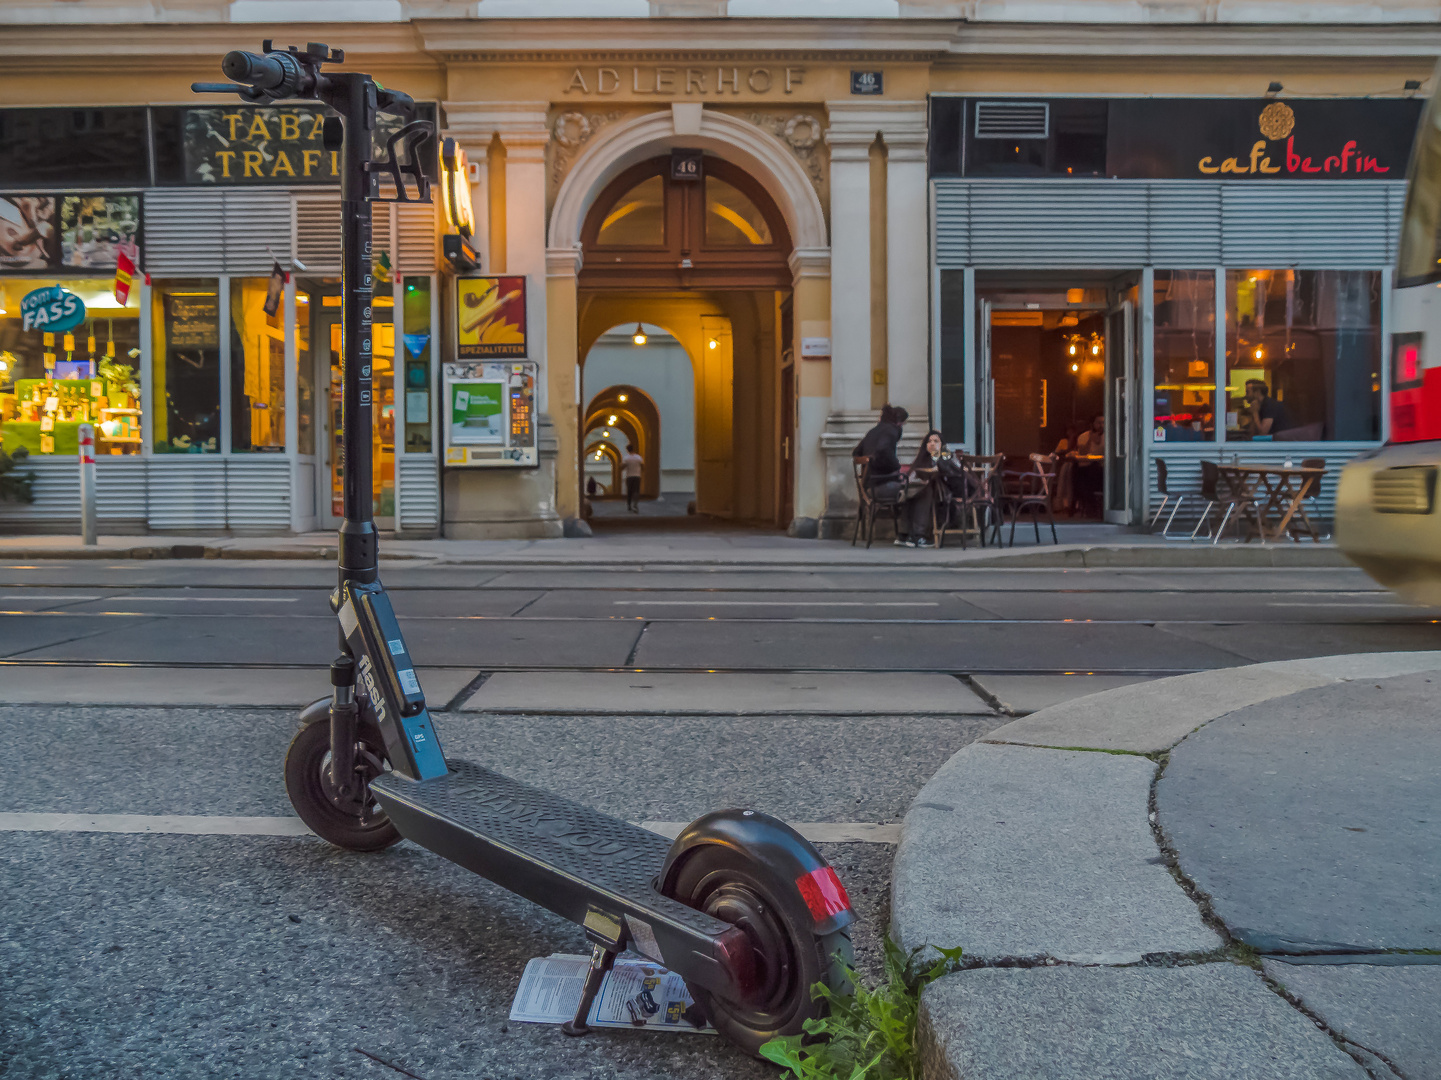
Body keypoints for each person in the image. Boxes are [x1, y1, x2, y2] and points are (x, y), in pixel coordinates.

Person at [852, 404, 911, 543]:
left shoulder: (872, 431)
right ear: (899, 422)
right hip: (882, 486)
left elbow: (856, 453)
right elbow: (883, 450)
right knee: (914, 491)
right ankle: (909, 534)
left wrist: (868, 461)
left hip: (867, 486)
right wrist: (897, 467)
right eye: (903, 423)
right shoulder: (892, 431)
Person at [621, 444, 644, 512]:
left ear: (627, 450)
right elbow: (643, 466)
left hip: (629, 476)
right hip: (637, 476)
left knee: (629, 491)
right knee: (636, 491)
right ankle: (635, 504)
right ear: (633, 449)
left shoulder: (626, 458)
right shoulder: (638, 457)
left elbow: (622, 467)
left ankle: (629, 505)